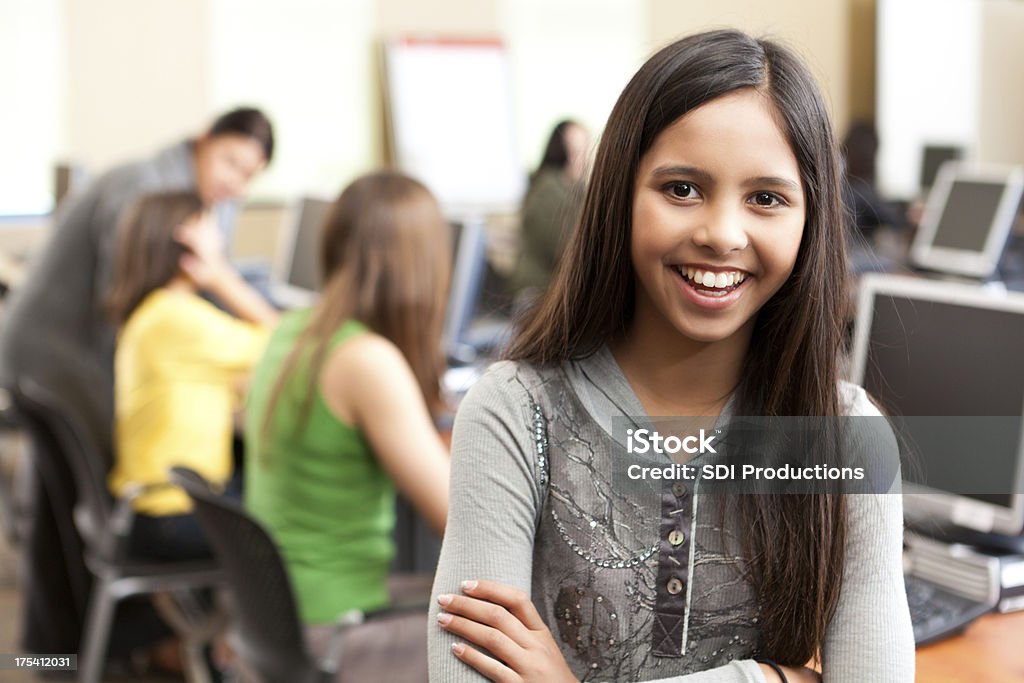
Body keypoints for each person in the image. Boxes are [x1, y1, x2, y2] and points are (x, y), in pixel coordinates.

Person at [429, 29, 913, 683]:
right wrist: (775, 677)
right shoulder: (515, 410)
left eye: (766, 198)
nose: (720, 233)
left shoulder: (847, 438)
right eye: (682, 188)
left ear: (810, 219)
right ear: (621, 195)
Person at [0, 106, 273, 657]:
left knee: (68, 518)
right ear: (203, 139)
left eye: (248, 176)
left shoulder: (171, 191)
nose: (233, 183)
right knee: (68, 516)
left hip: (56, 362)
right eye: (229, 162)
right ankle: (93, 648)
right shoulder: (149, 189)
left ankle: (82, 649)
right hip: (54, 361)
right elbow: (123, 294)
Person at [244, 171, 451, 629]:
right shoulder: (367, 361)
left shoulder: (292, 328)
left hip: (282, 616)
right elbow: (460, 520)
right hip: (335, 625)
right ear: (421, 265)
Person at [106, 190, 278, 561]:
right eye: (211, 233)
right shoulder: (179, 320)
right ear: (187, 248)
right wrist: (221, 276)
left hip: (150, 504)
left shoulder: (155, 313)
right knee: (293, 524)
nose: (220, 242)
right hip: (171, 513)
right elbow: (284, 345)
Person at [510, 119, 590, 298]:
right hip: (538, 292)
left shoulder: (579, 190)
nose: (582, 158)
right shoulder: (547, 189)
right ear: (561, 151)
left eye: (585, 149)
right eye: (576, 150)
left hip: (558, 291)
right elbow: (567, 248)